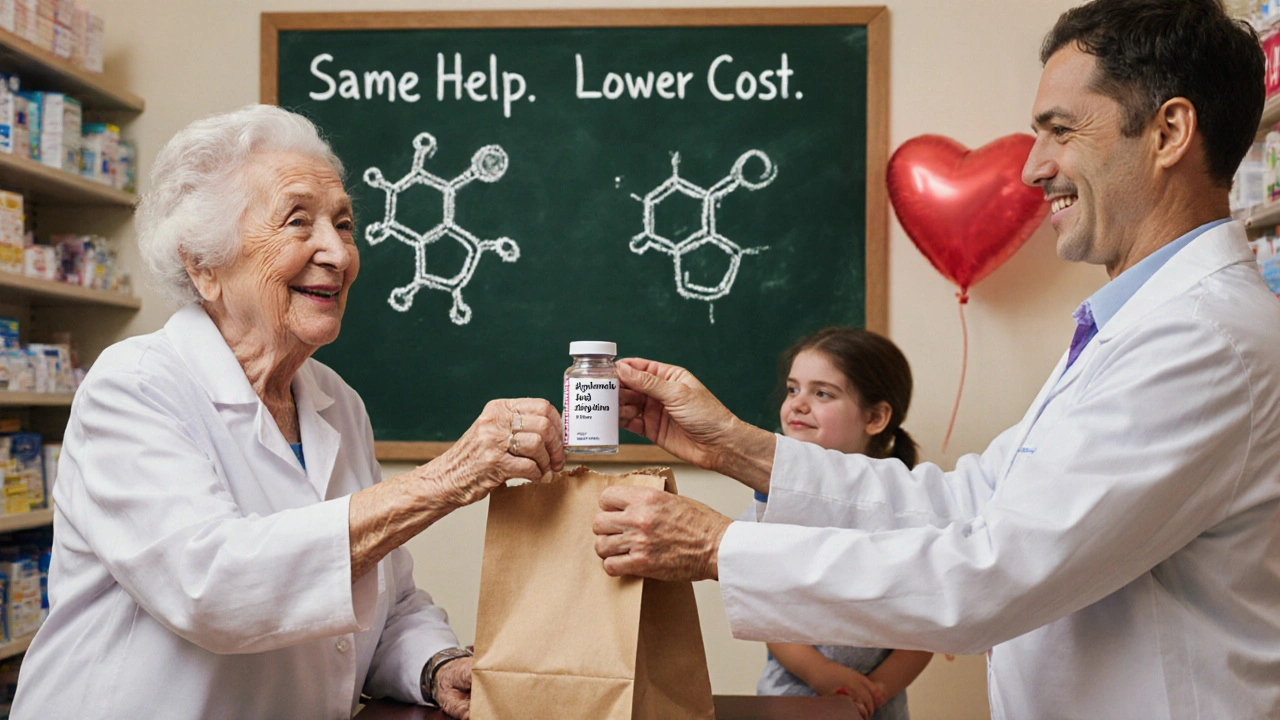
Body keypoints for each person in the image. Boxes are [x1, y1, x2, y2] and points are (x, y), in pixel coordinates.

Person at [591, 1, 1280, 717]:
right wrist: (737, 448)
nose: (1034, 167)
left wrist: (718, 548)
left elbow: (992, 574)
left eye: (1061, 131)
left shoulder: (1205, 342)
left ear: (1168, 132)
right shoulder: (1140, 326)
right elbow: (972, 504)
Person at [11, 105, 565, 720]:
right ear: (204, 264)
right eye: (298, 222)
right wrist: (447, 478)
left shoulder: (335, 402)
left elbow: (383, 598)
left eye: (345, 224)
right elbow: (213, 589)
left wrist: (437, 665)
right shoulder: (134, 386)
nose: (338, 253)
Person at [749, 328, 931, 720]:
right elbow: (764, 603)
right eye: (793, 388)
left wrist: (876, 690)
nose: (797, 405)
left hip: (878, 707)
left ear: (875, 417)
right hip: (789, 702)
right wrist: (824, 675)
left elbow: (924, 623)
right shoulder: (777, 496)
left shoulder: (906, 506)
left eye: (822, 393)